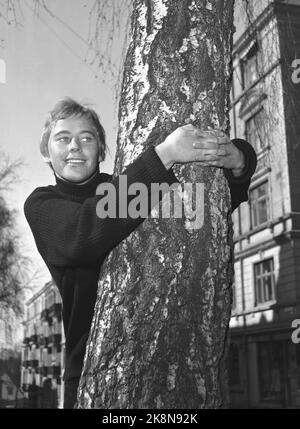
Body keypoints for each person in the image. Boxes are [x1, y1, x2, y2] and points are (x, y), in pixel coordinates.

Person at [24, 98, 257, 408]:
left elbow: (200, 207)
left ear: (102, 150)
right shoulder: (41, 203)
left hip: (176, 360)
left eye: (87, 137)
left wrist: (238, 159)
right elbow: (82, 234)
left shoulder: (129, 183)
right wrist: (166, 154)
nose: (75, 146)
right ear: (46, 152)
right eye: (63, 138)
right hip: (92, 373)